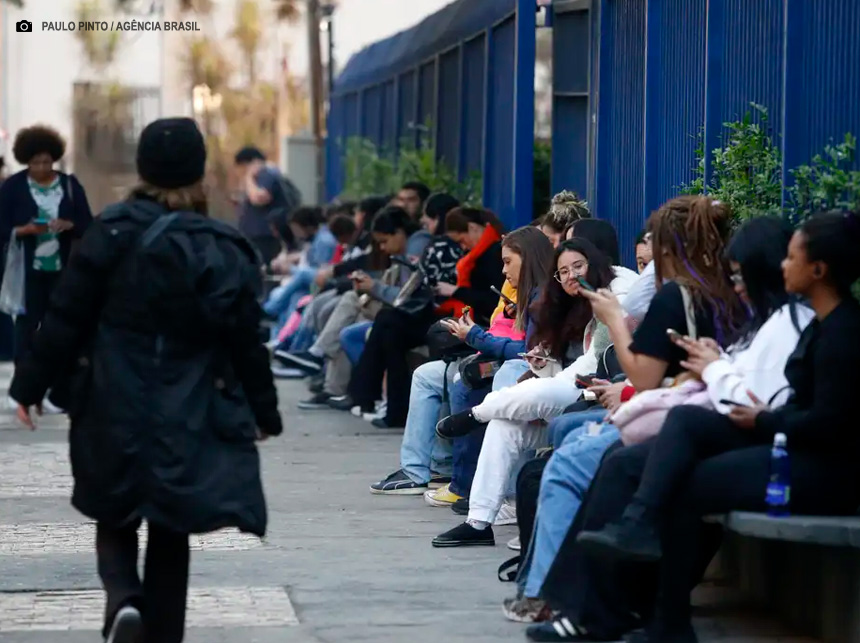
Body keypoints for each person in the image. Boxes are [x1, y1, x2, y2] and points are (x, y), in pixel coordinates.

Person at [9, 118, 282, 643]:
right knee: (170, 523)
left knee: (113, 511)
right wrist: (263, 412)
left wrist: (29, 387)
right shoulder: (219, 245)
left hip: (110, 397)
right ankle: (161, 633)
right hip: (188, 405)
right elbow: (246, 340)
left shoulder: (108, 232)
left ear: (142, 168)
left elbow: (66, 317)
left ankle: (123, 600)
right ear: (198, 170)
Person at [561, 210, 860, 643]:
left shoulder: (843, 332)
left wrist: (761, 415)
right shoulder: (819, 322)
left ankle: (663, 614)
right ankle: (646, 564)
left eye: (793, 258)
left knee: (682, 480)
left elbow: (830, 425)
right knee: (685, 424)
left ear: (818, 269)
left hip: (820, 471)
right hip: (789, 445)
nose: (783, 266)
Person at [508, 216, 812, 626]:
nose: (649, 262)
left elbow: (670, 381)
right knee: (583, 447)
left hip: (735, 434)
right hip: (705, 421)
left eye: (654, 251)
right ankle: (605, 603)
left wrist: (616, 323)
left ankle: (562, 598)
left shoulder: (700, 301)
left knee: (577, 462)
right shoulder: (759, 313)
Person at [369, 226, 553, 495]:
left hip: (511, 362)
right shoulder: (520, 289)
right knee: (426, 375)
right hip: (493, 353)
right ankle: (419, 470)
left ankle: (470, 482)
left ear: (529, 257)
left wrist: (475, 336)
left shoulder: (545, 294)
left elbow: (527, 351)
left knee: (465, 378)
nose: (503, 270)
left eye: (507, 262)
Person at [0, 125, 94, 373]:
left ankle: (59, 378)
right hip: (27, 269)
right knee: (26, 325)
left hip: (63, 268)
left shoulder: (70, 185)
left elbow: (88, 224)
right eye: (35, 163)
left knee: (61, 323)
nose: (42, 168)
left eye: (47, 162)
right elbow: (2, 226)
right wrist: (24, 230)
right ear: (26, 162)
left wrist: (69, 225)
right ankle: (24, 377)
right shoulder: (13, 187)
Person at [234, 146, 301, 264]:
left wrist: (249, 177)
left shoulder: (265, 175)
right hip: (258, 235)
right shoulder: (262, 176)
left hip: (264, 236)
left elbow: (259, 198)